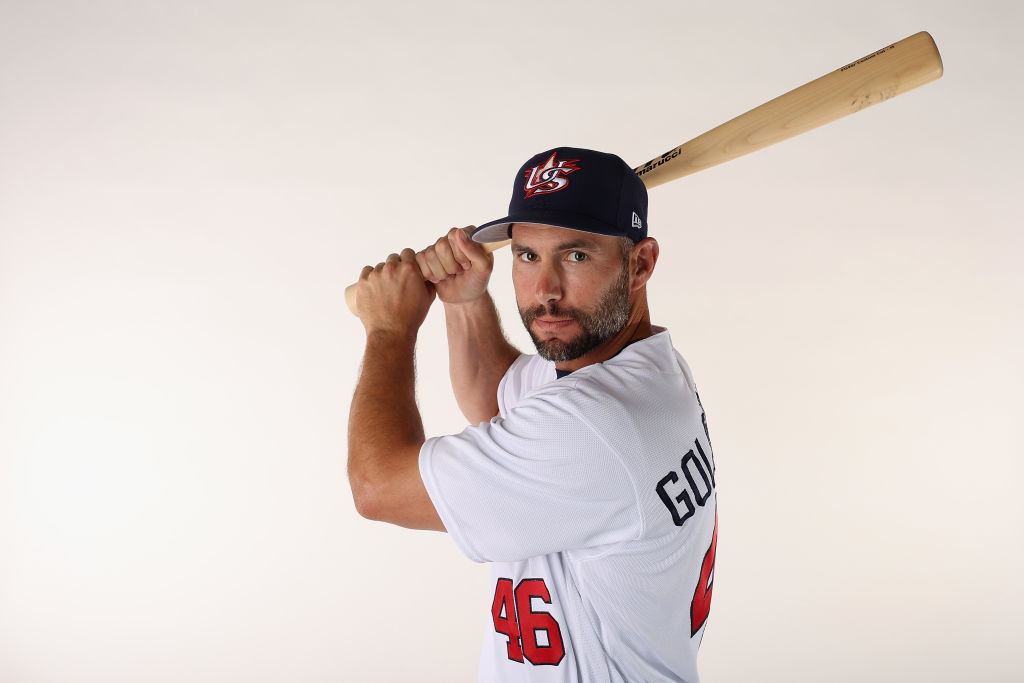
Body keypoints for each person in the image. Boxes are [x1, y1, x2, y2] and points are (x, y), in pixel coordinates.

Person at [348, 147, 718, 682]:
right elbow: (497, 397)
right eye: (526, 256)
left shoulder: (594, 426)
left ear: (641, 263)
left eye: (576, 256)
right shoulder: (638, 370)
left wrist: (389, 328)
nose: (544, 292)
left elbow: (377, 487)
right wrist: (463, 300)